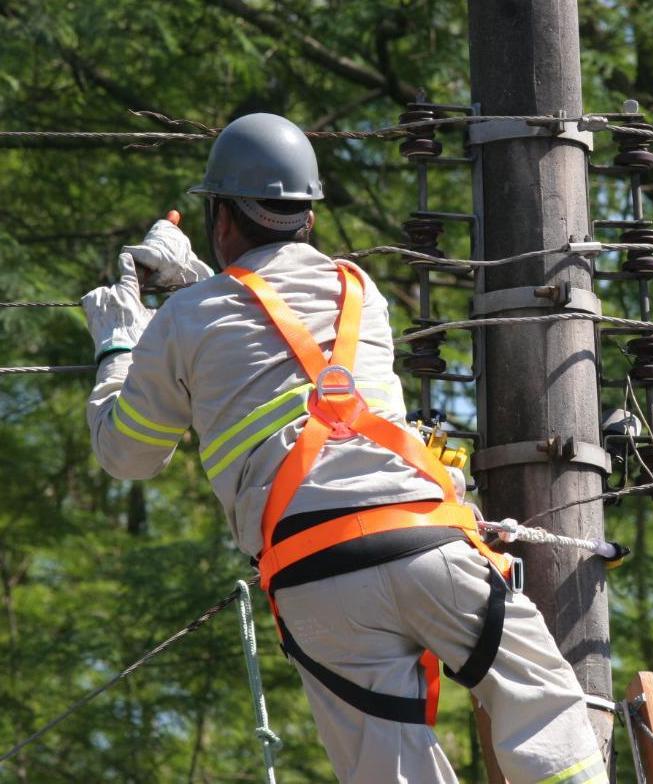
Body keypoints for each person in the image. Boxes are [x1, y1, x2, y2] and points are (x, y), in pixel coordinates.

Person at [80, 113, 604, 784]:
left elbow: (129, 454)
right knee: (543, 707)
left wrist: (121, 341)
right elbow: (267, 320)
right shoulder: (360, 289)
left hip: (318, 582)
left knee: (390, 771)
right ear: (308, 217)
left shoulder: (186, 321)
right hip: (424, 545)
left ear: (221, 218)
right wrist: (198, 280)